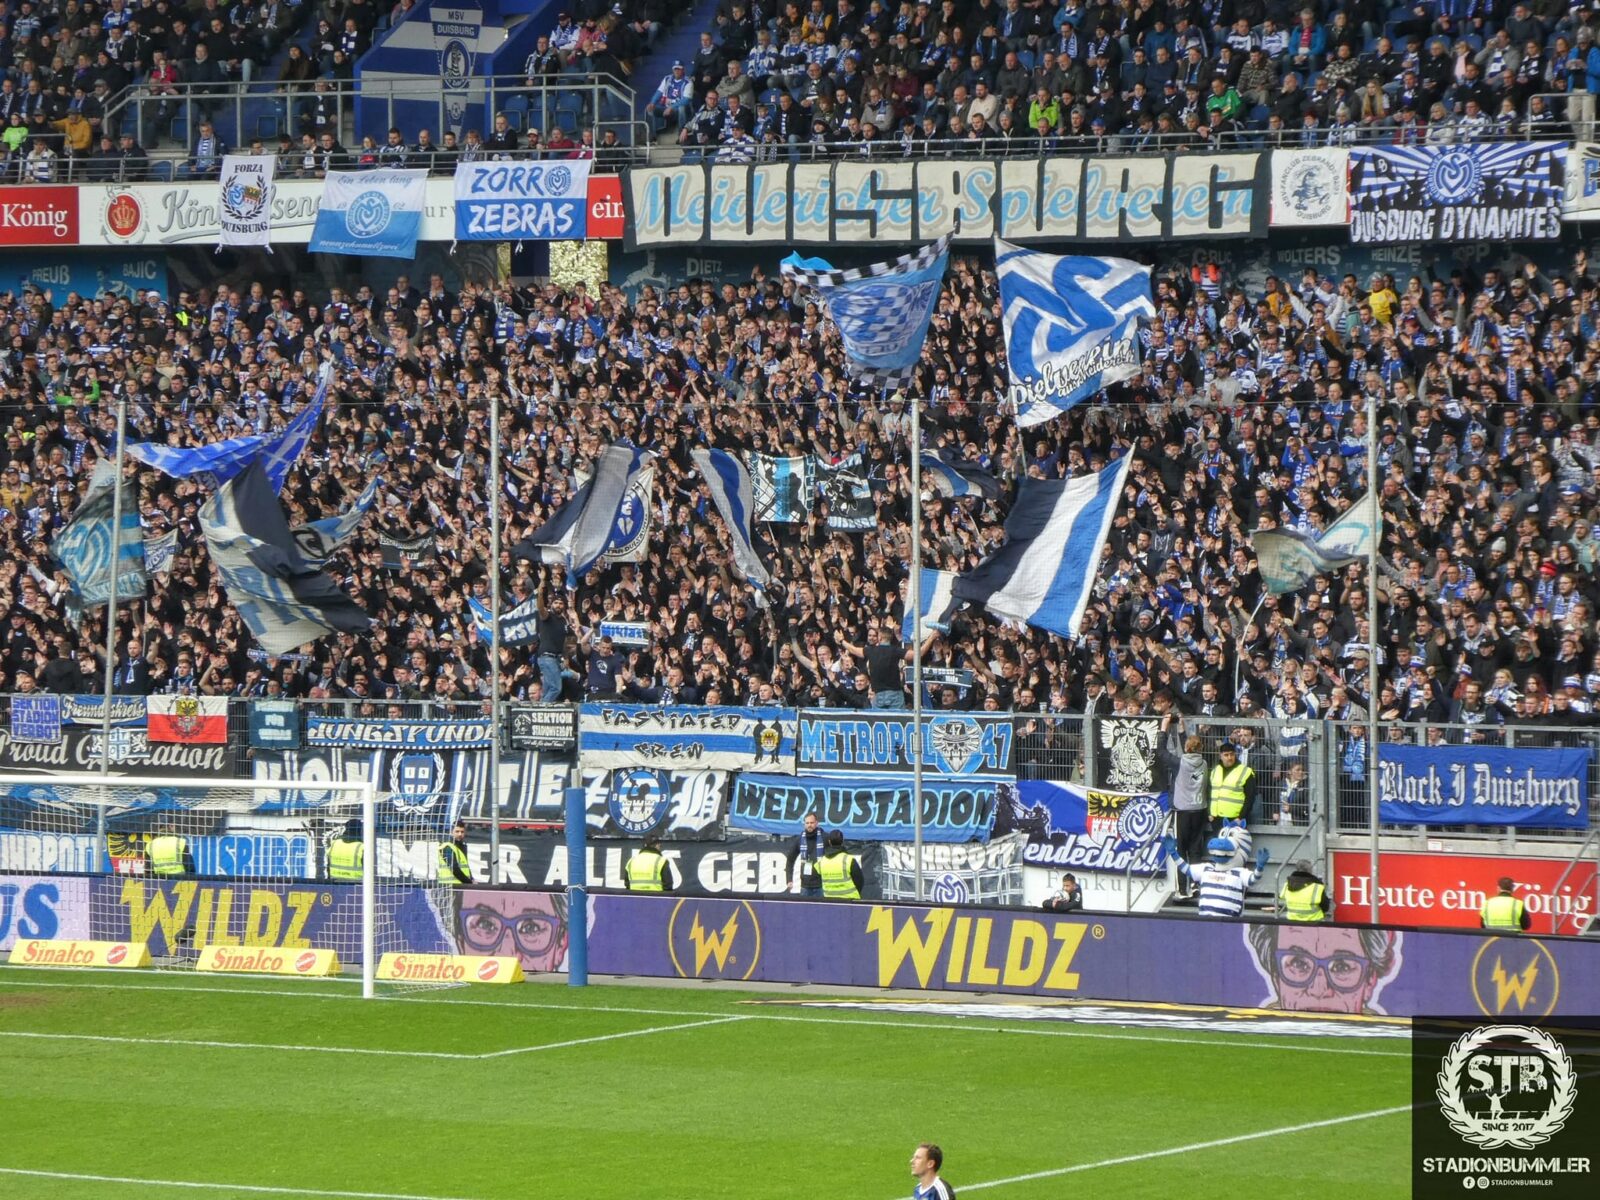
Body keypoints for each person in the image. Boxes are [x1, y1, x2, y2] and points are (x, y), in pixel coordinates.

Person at [1163, 836, 1268, 918]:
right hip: (1206, 921)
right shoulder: (1206, 868)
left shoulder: (1238, 872)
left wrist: (1259, 868)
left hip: (1231, 923)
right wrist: (1174, 854)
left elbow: (1253, 879)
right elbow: (1186, 869)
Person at [1169, 734, 1208, 890]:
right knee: (1195, 850)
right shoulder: (1204, 763)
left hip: (1183, 810)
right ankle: (1196, 884)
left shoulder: (1180, 763)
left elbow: (1161, 754)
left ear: (1186, 748)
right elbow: (1191, 748)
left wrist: (1163, 732)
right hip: (1199, 809)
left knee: (1181, 849)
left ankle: (1183, 889)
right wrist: (1182, 731)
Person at [1208, 741, 1256, 832]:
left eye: (1232, 754)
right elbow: (1208, 793)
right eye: (1226, 755)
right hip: (1216, 818)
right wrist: (1209, 814)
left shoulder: (1245, 771)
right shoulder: (1214, 771)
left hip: (1235, 819)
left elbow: (1250, 798)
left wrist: (1241, 817)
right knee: (1219, 846)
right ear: (1220, 756)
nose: (1229, 758)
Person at [785, 810, 827, 897]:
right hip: (805, 885)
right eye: (807, 823)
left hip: (822, 885)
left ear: (817, 823)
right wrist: (789, 880)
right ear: (804, 824)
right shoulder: (800, 839)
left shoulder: (825, 837)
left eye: (812, 822)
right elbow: (790, 859)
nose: (809, 825)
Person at [816, 830, 863, 900]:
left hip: (829, 901)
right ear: (842, 841)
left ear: (829, 842)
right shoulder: (848, 859)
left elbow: (818, 880)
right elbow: (860, 881)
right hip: (850, 900)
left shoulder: (821, 861)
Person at [327, 818, 363, 882]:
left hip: (335, 882)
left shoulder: (334, 843)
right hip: (357, 886)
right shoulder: (361, 847)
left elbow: (328, 865)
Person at [438, 820, 472, 887]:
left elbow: (465, 868)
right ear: (451, 832)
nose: (460, 834)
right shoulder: (447, 847)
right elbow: (454, 868)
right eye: (457, 831)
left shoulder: (462, 846)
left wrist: (471, 878)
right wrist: (468, 882)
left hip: (460, 885)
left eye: (462, 832)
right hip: (448, 886)